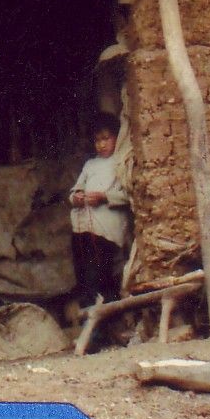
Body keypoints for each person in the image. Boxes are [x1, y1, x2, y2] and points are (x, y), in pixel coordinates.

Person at [69, 115, 131, 308]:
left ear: (117, 138)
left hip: (107, 229)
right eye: (97, 140)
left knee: (100, 271)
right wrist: (77, 197)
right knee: (83, 269)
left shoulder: (122, 162)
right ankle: (91, 309)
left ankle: (103, 313)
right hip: (84, 227)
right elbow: (75, 190)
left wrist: (104, 197)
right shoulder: (90, 165)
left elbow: (130, 195)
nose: (101, 144)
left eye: (106, 138)